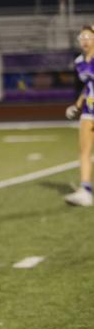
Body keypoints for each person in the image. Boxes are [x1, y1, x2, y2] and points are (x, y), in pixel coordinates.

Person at [65, 25, 94, 206]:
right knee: (83, 148)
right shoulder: (79, 61)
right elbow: (87, 85)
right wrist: (76, 105)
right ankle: (86, 191)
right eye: (81, 37)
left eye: (88, 36)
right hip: (88, 110)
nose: (84, 40)